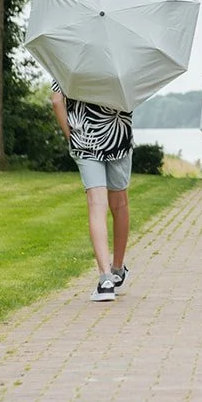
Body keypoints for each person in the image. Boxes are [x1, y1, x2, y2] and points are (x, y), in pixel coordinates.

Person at [50, 80, 133, 302]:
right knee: (120, 204)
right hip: (119, 136)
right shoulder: (119, 59)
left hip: (84, 138)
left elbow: (57, 100)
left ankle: (105, 280)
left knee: (97, 205)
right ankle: (117, 270)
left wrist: (70, 135)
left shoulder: (69, 58)